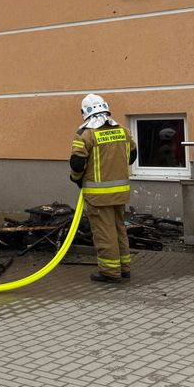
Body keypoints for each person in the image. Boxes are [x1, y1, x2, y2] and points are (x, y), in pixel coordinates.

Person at [69, 94, 137, 284]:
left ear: (85, 112)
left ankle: (110, 272)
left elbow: (77, 164)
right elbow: (132, 156)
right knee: (119, 229)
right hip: (120, 193)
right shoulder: (123, 131)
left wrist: (76, 179)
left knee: (104, 233)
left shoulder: (85, 134)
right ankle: (124, 268)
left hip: (98, 197)